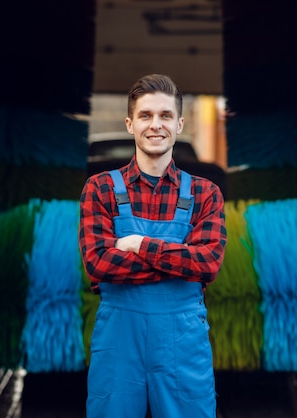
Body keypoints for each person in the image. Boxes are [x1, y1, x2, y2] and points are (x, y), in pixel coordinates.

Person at [78, 73, 227, 418]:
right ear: (130, 124)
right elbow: (99, 264)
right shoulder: (99, 189)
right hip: (119, 344)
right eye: (145, 116)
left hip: (182, 343)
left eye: (165, 116)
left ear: (179, 124)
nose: (155, 125)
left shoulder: (205, 193)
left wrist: (140, 245)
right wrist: (179, 264)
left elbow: (207, 264)